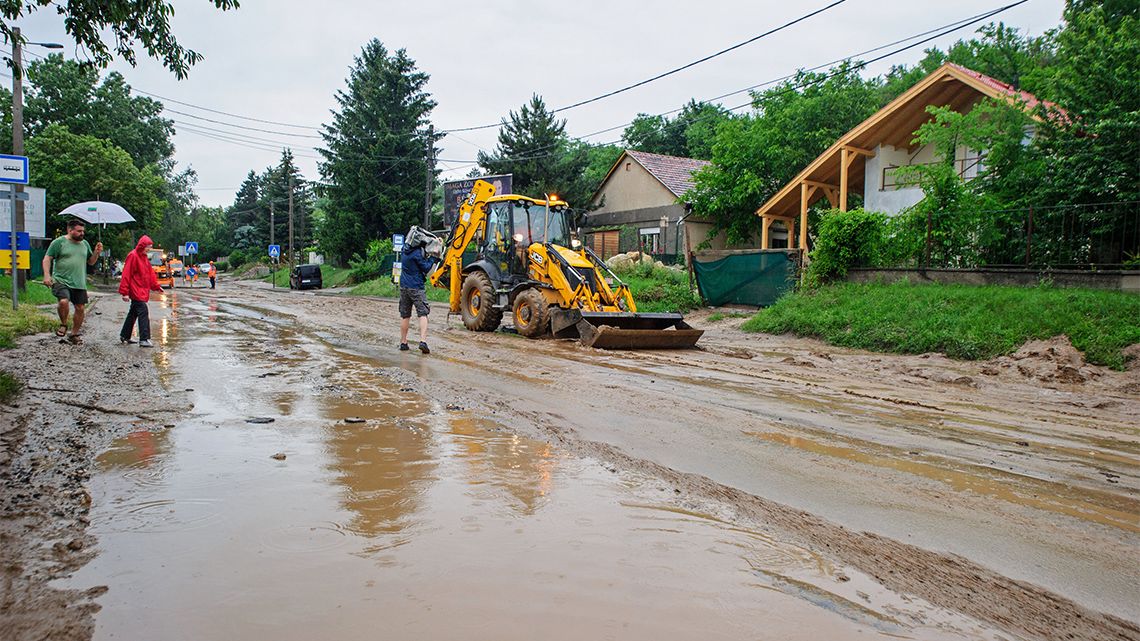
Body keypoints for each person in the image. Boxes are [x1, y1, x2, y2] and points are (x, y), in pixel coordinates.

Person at [42, 219, 102, 345]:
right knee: (63, 301)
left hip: (79, 282)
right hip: (61, 280)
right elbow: (47, 258)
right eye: (79, 231)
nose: (82, 233)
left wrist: (97, 252)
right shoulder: (59, 242)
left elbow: (90, 262)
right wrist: (47, 275)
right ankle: (63, 324)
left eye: (83, 231)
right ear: (70, 230)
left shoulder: (85, 244)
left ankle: (74, 334)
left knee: (80, 308)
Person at [118, 235, 163, 348]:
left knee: (133, 313)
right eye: (148, 246)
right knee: (143, 311)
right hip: (136, 290)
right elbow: (126, 274)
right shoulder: (133, 256)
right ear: (143, 246)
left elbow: (149, 275)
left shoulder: (143, 257)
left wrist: (156, 286)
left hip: (140, 290)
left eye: (150, 247)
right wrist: (125, 292)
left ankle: (125, 335)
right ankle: (144, 339)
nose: (149, 249)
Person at [398, 240, 439, 354]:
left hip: (404, 286)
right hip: (416, 286)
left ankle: (403, 342)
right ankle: (423, 341)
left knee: (405, 315)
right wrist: (433, 258)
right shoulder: (416, 253)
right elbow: (426, 267)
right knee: (423, 313)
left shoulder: (404, 250)